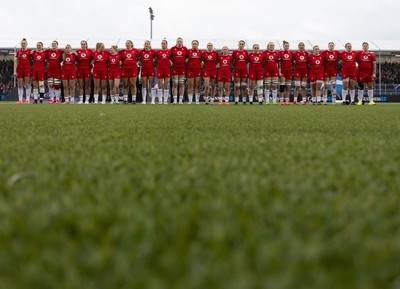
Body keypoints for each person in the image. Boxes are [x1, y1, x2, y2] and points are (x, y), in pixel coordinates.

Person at [170, 37, 187, 104]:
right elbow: (169, 56)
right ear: (176, 42)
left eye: (180, 41)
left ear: (182, 42)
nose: (179, 42)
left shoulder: (185, 49)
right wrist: (172, 62)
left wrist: (185, 61)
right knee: (175, 84)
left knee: (181, 84)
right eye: (178, 41)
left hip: (182, 68)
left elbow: (189, 57)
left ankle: (180, 100)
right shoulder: (173, 48)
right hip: (175, 68)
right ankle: (174, 100)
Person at [14, 38, 31, 103]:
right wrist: (15, 71)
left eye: (24, 43)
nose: (23, 44)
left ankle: (27, 99)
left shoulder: (29, 51)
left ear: (26, 44)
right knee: (20, 84)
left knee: (27, 84)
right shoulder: (18, 52)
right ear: (20, 44)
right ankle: (20, 100)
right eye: (22, 43)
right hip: (20, 69)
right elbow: (16, 62)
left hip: (27, 69)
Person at [232, 40, 249, 104]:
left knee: (244, 85)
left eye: (242, 44)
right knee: (237, 86)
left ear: (244, 45)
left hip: (244, 70)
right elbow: (232, 60)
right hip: (237, 70)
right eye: (240, 44)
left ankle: (244, 101)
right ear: (238, 44)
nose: (241, 45)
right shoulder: (235, 52)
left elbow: (247, 60)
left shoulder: (245, 52)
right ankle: (236, 100)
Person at [155, 39, 171, 104]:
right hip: (160, 70)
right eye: (162, 43)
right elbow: (155, 59)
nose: (163, 45)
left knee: (166, 85)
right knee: (159, 85)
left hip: (167, 70)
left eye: (164, 43)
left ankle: (165, 100)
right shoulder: (158, 52)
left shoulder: (169, 52)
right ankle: (160, 100)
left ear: (166, 44)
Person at [187, 40, 202, 104]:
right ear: (191, 44)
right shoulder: (188, 51)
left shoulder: (201, 52)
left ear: (198, 45)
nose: (194, 45)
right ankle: (190, 100)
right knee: (190, 85)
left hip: (198, 70)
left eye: (195, 44)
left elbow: (204, 60)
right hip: (190, 70)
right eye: (193, 44)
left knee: (197, 85)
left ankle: (197, 100)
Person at [278, 40, 293, 105]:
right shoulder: (280, 53)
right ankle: (281, 100)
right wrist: (279, 71)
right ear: (283, 46)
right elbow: (279, 63)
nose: (286, 47)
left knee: (288, 87)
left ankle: (287, 100)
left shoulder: (291, 53)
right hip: (282, 72)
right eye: (285, 46)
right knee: (282, 86)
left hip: (289, 71)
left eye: (287, 46)